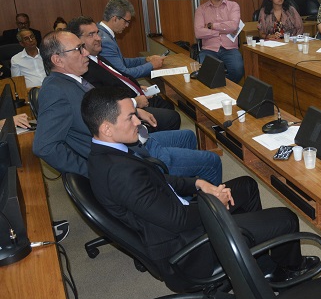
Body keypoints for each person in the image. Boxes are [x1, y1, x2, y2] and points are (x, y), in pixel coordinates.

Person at [82, 86, 318, 282]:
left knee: (246, 186)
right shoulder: (119, 173)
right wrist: (214, 204)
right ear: (106, 128)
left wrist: (198, 184)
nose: (137, 121)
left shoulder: (109, 152)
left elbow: (158, 180)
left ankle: (255, 262)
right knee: (286, 218)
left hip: (175, 217)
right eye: (129, 117)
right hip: (186, 249)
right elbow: (177, 219)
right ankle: (289, 271)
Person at [32, 31, 222, 185]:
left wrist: (134, 111)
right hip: (129, 156)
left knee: (188, 136)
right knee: (212, 161)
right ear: (57, 60)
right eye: (78, 49)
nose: (85, 53)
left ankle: (179, 193)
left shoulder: (72, 80)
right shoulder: (55, 90)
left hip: (135, 140)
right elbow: (44, 147)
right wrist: (91, 170)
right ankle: (211, 214)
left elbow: (102, 109)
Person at [67, 16, 180, 132]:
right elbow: (104, 101)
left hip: (134, 94)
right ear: (77, 40)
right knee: (172, 118)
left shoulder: (96, 56)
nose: (98, 38)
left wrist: (136, 86)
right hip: (126, 108)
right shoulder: (84, 67)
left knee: (167, 105)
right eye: (91, 35)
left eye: (97, 33)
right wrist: (134, 102)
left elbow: (117, 76)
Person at [97, 0, 165, 79]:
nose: (127, 25)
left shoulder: (102, 32)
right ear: (115, 19)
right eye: (126, 21)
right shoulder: (105, 41)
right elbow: (123, 74)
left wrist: (146, 60)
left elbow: (121, 62)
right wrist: (152, 65)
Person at [194, 0, 244, 83]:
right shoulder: (201, 10)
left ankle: (223, 87)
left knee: (238, 70)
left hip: (230, 49)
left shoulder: (233, 6)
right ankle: (217, 87)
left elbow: (234, 26)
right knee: (205, 73)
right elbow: (198, 32)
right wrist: (221, 31)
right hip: (209, 49)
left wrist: (212, 26)